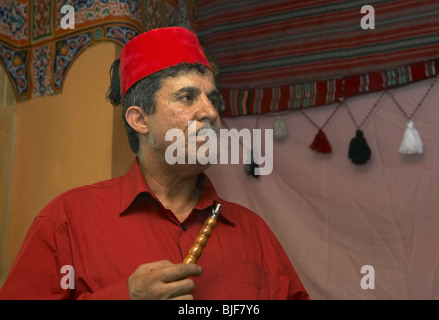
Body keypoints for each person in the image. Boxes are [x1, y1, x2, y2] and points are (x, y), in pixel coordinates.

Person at [0, 27, 309, 300]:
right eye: (187, 98)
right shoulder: (67, 222)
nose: (211, 113)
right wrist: (126, 297)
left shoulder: (253, 232)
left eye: (212, 100)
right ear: (139, 119)